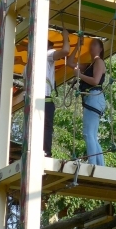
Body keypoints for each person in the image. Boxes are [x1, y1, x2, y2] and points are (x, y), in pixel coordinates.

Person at [68, 37, 106, 165]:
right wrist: (78, 46)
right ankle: (100, 165)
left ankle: (93, 164)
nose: (91, 47)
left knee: (88, 133)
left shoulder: (99, 62)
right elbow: (70, 62)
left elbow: (95, 81)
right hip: (93, 98)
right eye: (91, 45)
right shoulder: (90, 64)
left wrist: (80, 76)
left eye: (95, 45)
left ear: (101, 49)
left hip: (94, 95)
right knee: (92, 135)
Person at [44, 28, 70, 157]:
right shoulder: (47, 54)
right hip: (44, 98)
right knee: (46, 127)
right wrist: (65, 37)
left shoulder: (29, 63)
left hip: (32, 99)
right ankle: (46, 153)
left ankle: (36, 151)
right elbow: (65, 51)